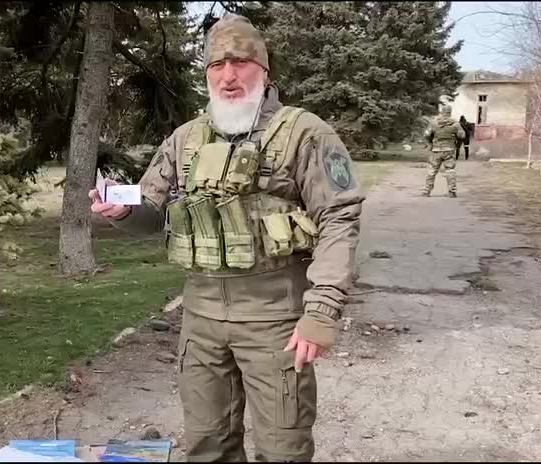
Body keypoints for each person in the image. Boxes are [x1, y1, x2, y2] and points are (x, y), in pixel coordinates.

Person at [88, 14, 364, 462]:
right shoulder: (186, 138)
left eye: (240, 63)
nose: (229, 76)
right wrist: (123, 211)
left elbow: (339, 217)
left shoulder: (306, 133)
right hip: (201, 322)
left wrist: (323, 310)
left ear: (264, 69)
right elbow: (152, 210)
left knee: (284, 448)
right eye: (217, 66)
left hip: (277, 321)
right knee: (206, 444)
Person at [422, 105, 464, 198]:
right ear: (450, 112)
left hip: (436, 150)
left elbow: (426, 135)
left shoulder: (434, 123)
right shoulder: (455, 124)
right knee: (450, 170)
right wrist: (456, 142)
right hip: (449, 149)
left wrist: (430, 144)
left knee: (432, 170)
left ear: (442, 111)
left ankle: (426, 191)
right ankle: (452, 192)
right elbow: (462, 136)